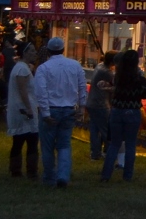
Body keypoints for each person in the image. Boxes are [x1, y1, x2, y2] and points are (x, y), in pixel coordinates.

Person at [33, 37, 86, 188]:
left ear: (48, 51)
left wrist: (45, 113)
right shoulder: (75, 66)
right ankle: (63, 175)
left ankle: (50, 177)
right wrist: (82, 107)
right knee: (64, 144)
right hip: (69, 110)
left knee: (47, 146)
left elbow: (41, 93)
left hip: (51, 109)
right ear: (63, 50)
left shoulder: (43, 68)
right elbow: (82, 86)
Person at [102, 49, 146, 183]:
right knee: (130, 145)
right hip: (132, 111)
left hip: (117, 111)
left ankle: (106, 175)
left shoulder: (118, 77)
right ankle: (127, 176)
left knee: (114, 144)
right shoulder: (139, 79)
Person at [6, 44, 39, 179]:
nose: (34, 53)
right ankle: (29, 170)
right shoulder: (22, 69)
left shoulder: (22, 67)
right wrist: (29, 108)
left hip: (21, 107)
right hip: (23, 109)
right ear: (25, 53)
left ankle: (17, 170)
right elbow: (23, 90)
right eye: (31, 51)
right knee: (30, 140)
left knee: (19, 140)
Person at [85, 51, 115, 161]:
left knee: (94, 129)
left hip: (92, 102)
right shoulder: (107, 73)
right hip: (101, 104)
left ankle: (95, 153)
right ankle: (108, 152)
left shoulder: (99, 66)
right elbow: (116, 85)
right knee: (105, 129)